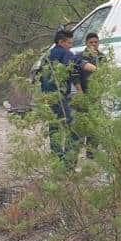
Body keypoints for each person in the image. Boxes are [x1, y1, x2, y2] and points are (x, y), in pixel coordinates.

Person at [41, 29, 96, 165]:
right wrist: (96, 69)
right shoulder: (62, 52)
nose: (71, 46)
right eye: (69, 43)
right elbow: (76, 61)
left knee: (54, 127)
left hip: (48, 96)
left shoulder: (49, 53)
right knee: (74, 128)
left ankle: (57, 161)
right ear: (61, 42)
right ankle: (68, 164)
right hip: (58, 96)